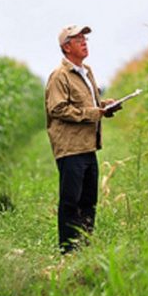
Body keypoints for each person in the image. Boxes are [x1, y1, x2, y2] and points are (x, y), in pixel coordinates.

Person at [45, 24, 121, 254]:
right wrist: (91, 114)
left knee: (89, 200)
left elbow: (89, 104)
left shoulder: (86, 71)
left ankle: (85, 246)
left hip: (88, 146)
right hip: (70, 148)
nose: (84, 42)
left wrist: (105, 106)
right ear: (67, 47)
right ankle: (68, 251)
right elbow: (57, 108)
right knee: (71, 201)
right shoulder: (59, 76)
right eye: (78, 39)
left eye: (85, 38)